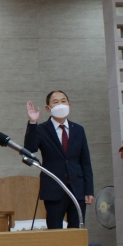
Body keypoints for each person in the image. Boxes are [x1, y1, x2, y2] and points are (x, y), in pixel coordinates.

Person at [24, 90, 94, 229]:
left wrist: (89, 190)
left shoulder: (78, 129)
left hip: (77, 188)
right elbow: (30, 148)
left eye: (63, 101)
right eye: (56, 102)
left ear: (69, 105)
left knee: (77, 230)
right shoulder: (41, 129)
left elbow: (85, 161)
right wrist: (33, 122)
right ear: (48, 108)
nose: (60, 104)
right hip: (54, 188)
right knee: (55, 231)